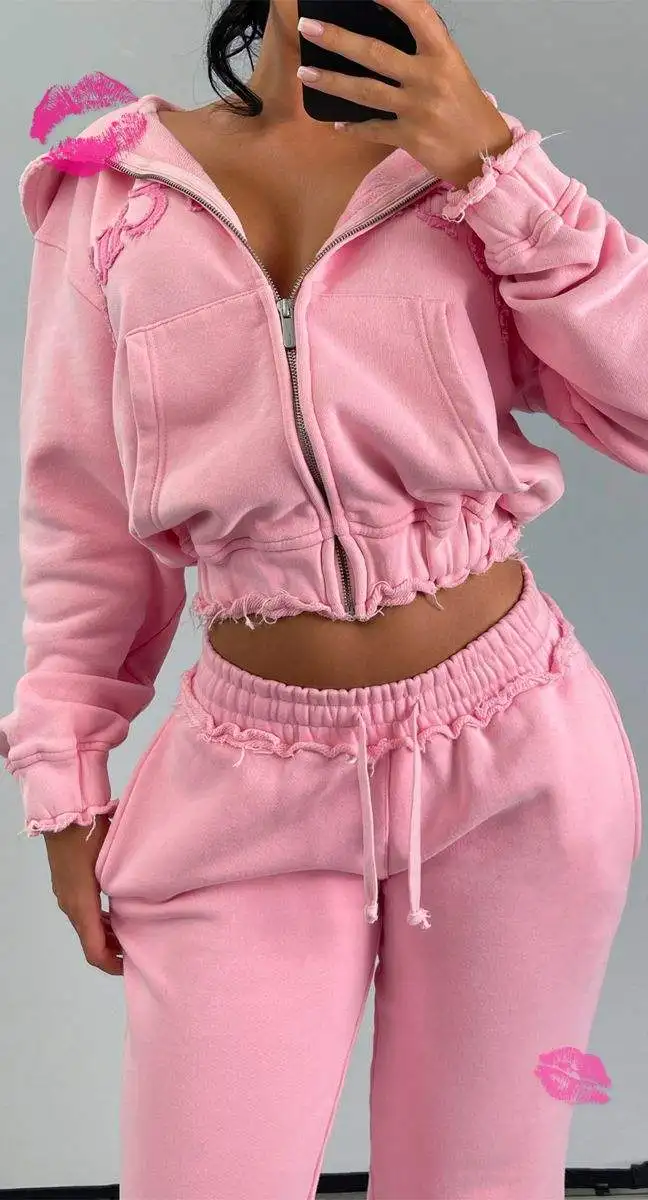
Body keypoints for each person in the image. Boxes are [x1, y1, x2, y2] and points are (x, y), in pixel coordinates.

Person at [2, 0, 645, 1196]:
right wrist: (65, 776)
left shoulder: (471, 170)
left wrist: (494, 170)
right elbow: (81, 512)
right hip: (244, 780)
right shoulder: (114, 190)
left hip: (515, 765)